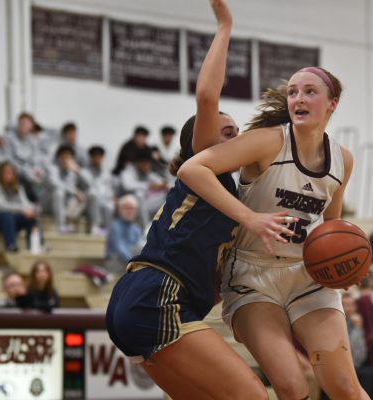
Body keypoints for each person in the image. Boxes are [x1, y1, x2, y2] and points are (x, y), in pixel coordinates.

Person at [178, 54, 368, 400]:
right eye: (293, 92)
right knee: (292, 385)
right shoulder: (268, 141)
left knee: (344, 388)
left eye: (310, 92)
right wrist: (249, 218)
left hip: (307, 274)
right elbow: (192, 170)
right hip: (252, 277)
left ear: (331, 104)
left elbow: (332, 226)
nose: (298, 98)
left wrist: (346, 268)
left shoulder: (343, 160)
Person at [106, 1, 269, 398]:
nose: (236, 136)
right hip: (158, 294)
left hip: (148, 296)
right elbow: (207, 97)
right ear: (199, 143)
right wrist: (225, 26)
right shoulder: (203, 169)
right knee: (252, 395)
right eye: (226, 132)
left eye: (237, 131)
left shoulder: (223, 193)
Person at [0, 161, 39, 252]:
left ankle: (35, 245)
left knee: (30, 217)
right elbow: (1, 206)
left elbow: (26, 203)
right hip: (1, 219)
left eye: (11, 172)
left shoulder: (18, 187)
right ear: (0, 174)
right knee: (7, 215)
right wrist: (21, 209)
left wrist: (33, 209)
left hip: (12, 221)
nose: (9, 175)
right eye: (6, 172)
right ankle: (11, 245)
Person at [104, 194, 143, 275]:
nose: (129, 211)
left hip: (131, 262)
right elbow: (120, 250)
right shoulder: (115, 226)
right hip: (115, 262)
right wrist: (134, 264)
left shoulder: (136, 229)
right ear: (120, 210)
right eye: (126, 208)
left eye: (132, 208)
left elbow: (141, 249)